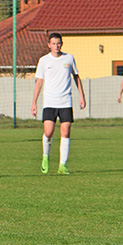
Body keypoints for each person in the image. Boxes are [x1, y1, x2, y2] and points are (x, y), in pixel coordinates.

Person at [31, 32, 86, 175]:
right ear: (49, 45)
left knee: (66, 132)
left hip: (65, 101)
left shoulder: (69, 58)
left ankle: (62, 165)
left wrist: (82, 96)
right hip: (50, 102)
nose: (56, 46)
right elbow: (39, 82)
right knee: (48, 132)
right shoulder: (44, 60)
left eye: (58, 43)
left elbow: (76, 77)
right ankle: (45, 157)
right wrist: (34, 103)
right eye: (54, 44)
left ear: (62, 44)